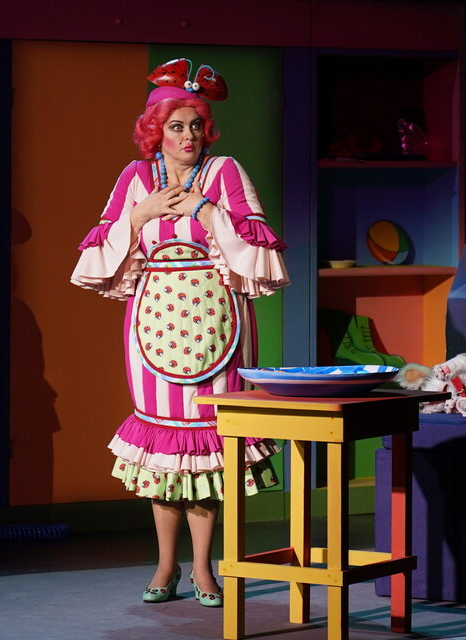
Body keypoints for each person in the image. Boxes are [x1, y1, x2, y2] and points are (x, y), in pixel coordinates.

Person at [70, 58, 290, 607]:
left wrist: (206, 210)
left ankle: (204, 569)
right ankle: (165, 566)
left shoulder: (225, 172)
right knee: (164, 451)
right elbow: (102, 250)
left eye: (195, 125)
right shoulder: (134, 178)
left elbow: (255, 246)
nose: (187, 136)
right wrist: (138, 215)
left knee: (208, 447)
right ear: (155, 131)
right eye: (175, 126)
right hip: (152, 324)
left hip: (219, 321)